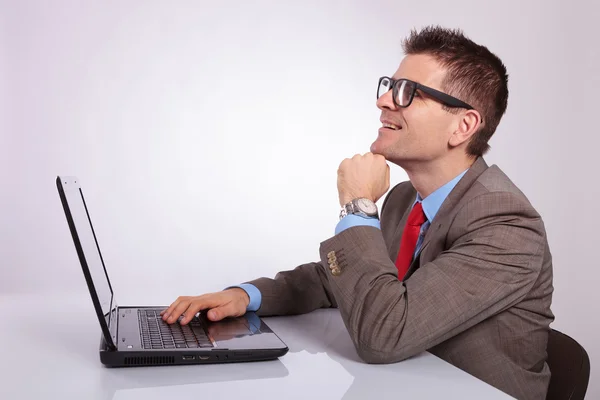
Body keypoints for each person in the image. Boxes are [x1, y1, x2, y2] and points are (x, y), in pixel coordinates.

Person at [161, 25, 554, 400]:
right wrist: (246, 297)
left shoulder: (507, 225)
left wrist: (357, 207)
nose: (384, 100)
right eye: (389, 86)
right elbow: (336, 279)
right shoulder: (405, 199)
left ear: (463, 126)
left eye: (408, 92)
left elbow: (384, 334)